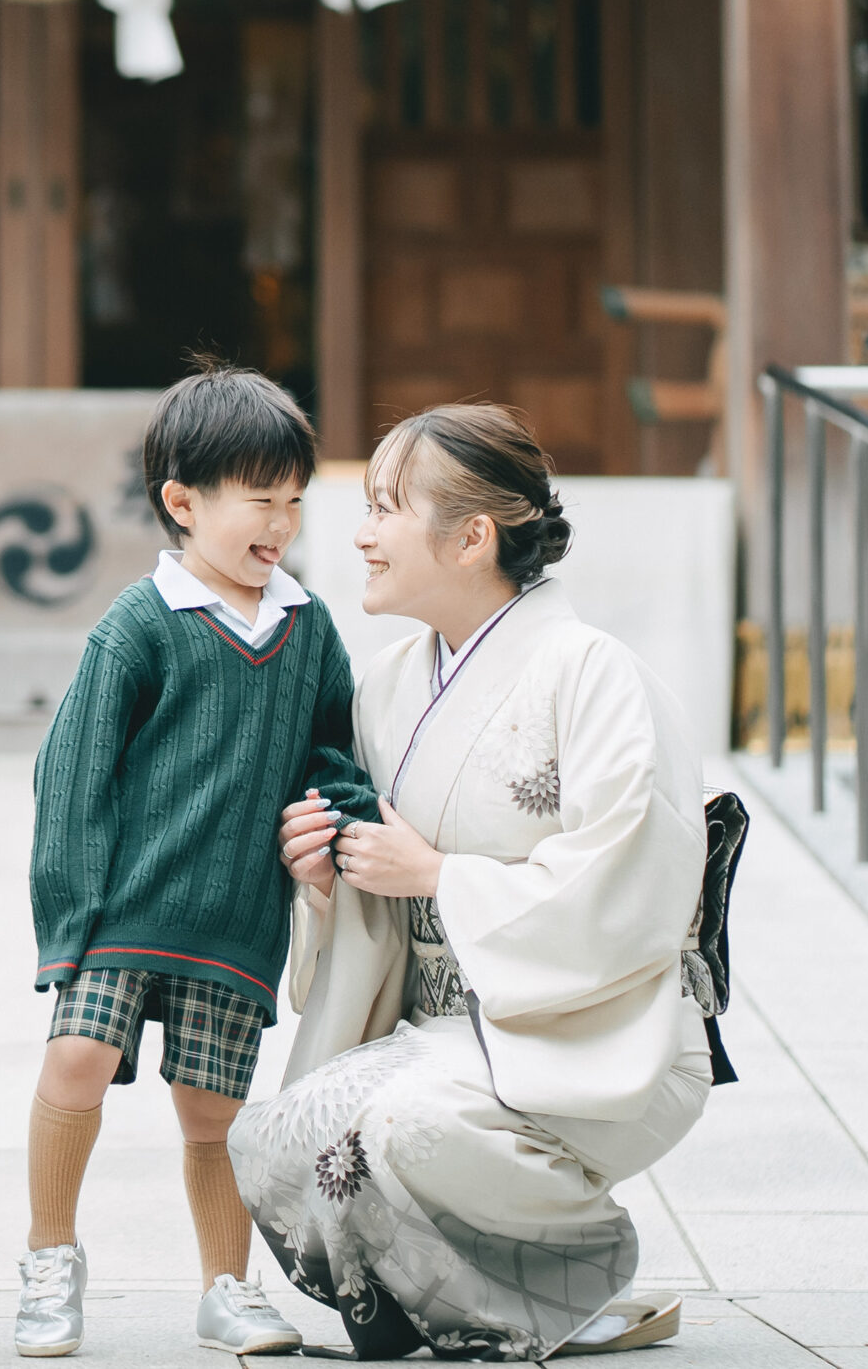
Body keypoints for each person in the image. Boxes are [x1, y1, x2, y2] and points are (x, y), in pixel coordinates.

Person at [233, 403, 710, 1361]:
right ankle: (465, 1300)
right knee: (277, 1134)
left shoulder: (594, 674)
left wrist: (440, 874)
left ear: (472, 536)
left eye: (384, 508)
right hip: (447, 1030)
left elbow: (630, 879)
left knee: (397, 1128)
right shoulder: (388, 684)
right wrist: (330, 873)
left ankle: (571, 1269)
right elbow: (380, 890)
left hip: (595, 1025)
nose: (360, 532)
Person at [17, 361, 377, 1359]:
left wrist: (335, 820)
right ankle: (50, 1260)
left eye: (295, 503)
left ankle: (228, 1287)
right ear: (182, 502)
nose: (283, 524)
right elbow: (71, 777)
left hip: (235, 922)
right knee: (76, 1060)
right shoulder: (138, 624)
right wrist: (68, 925)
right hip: (124, 911)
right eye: (262, 501)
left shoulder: (308, 630)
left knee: (214, 1112)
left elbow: (334, 750)